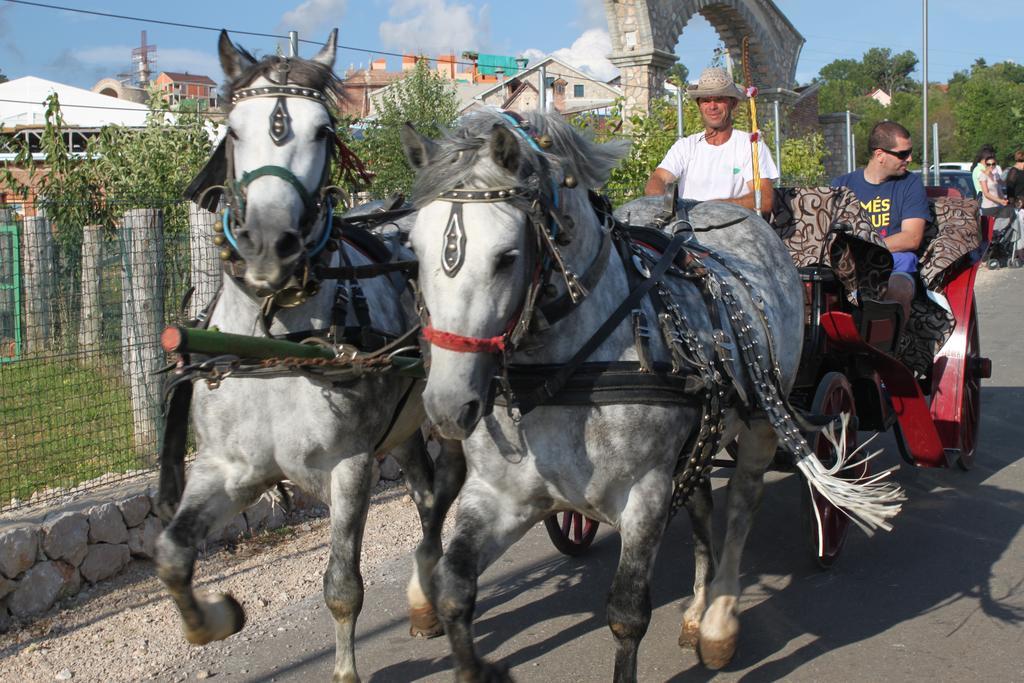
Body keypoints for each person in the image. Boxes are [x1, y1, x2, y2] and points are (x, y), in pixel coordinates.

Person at [831, 121, 929, 322]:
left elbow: (911, 238)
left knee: (896, 289)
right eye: (903, 154)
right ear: (879, 155)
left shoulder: (911, 184)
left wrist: (865, 250)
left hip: (896, 265)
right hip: (848, 267)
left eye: (910, 152)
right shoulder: (841, 185)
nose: (909, 158)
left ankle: (893, 351)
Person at [645, 67, 778, 214]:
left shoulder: (750, 145)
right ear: (699, 105)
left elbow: (764, 200)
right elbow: (658, 179)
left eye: (719, 99)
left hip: (734, 229)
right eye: (706, 101)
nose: (712, 106)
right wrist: (662, 202)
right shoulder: (686, 146)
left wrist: (710, 208)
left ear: (733, 104)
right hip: (688, 229)